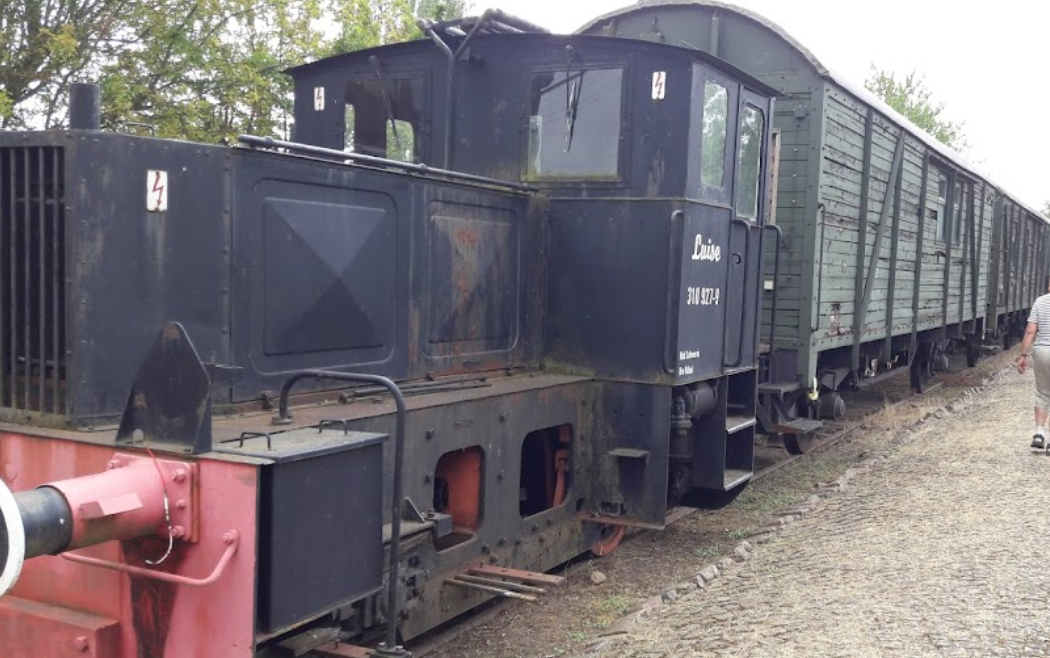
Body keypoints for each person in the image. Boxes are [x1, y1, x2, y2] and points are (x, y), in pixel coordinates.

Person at [1017, 281, 1050, 448]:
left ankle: (1039, 433)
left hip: (1042, 351)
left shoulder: (1040, 301)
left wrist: (1022, 355)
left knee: (1042, 392)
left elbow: (1030, 330)